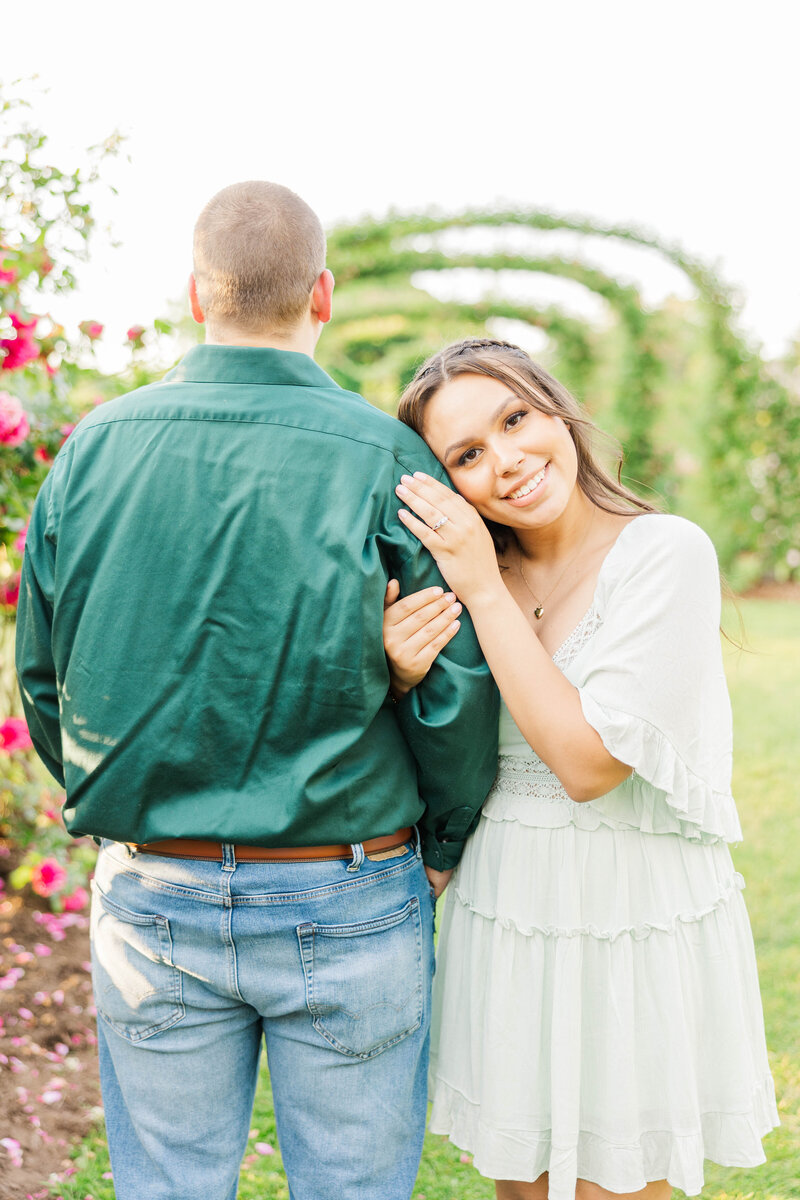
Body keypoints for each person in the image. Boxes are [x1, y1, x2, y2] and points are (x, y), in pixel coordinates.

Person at [14, 184, 499, 1200]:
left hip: (152, 889)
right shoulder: (385, 458)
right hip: (350, 885)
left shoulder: (91, 453)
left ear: (196, 292)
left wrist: (125, 804)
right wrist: (443, 844)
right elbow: (455, 679)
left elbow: (46, 680)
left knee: (168, 1185)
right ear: (320, 293)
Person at [381, 337, 779, 1200]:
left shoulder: (663, 553)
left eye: (516, 419)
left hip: (626, 916)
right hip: (509, 914)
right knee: (521, 1187)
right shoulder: (471, 577)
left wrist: (482, 589)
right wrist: (405, 676)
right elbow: (437, 758)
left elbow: (589, 763)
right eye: (468, 456)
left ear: (555, 408)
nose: (510, 462)